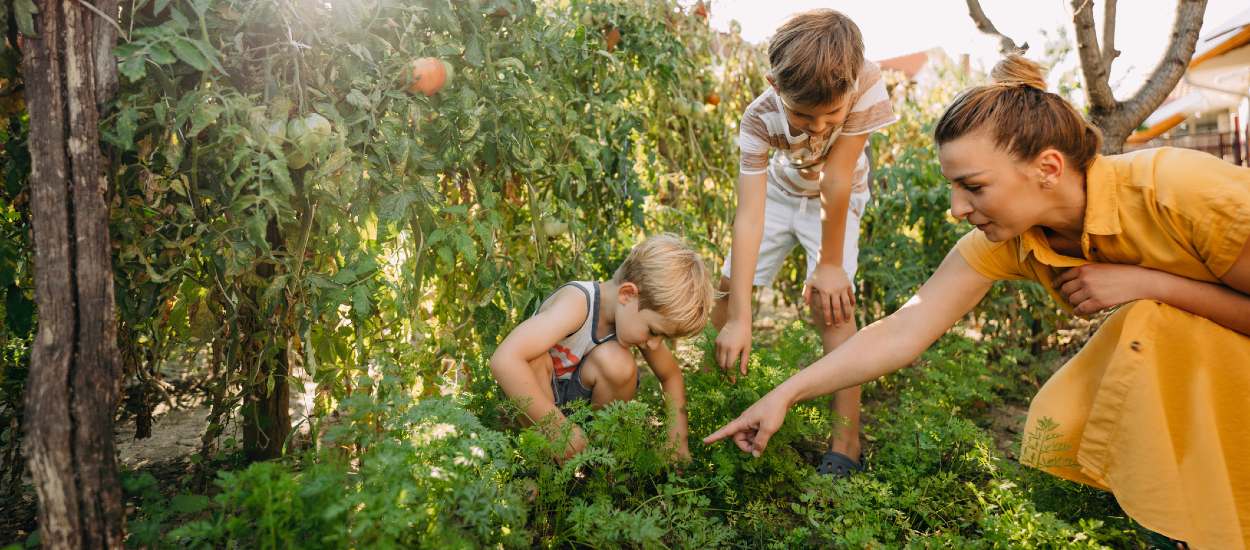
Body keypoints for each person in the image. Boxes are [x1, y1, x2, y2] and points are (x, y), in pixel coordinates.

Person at [704, 55, 1250, 548]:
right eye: (953, 188)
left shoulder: (1173, 189)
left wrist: (1150, 284)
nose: (957, 208)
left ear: (1049, 169)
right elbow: (903, 330)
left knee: (1147, 324)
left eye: (975, 187)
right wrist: (786, 394)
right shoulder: (1014, 238)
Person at [712, 8, 897, 478]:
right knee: (727, 288)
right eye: (801, 115)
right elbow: (750, 215)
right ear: (775, 86)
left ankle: (846, 442)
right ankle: (720, 399)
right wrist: (740, 316)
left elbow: (837, 178)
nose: (817, 128)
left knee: (832, 304)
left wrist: (830, 265)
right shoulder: (758, 119)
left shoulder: (867, 81)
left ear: (852, 86)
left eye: (829, 115)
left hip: (840, 196)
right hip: (779, 193)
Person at [490, 234, 716, 462]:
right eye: (654, 332)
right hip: (538, 408)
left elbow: (671, 375)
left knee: (618, 363)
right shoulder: (577, 304)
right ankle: (542, 465)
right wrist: (556, 426)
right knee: (533, 358)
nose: (654, 344)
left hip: (576, 413)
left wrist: (677, 438)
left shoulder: (636, 315)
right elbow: (505, 359)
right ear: (628, 294)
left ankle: (596, 462)